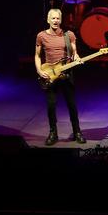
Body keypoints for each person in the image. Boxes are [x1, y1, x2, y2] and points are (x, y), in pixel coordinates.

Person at [35, 8, 85, 145]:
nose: (55, 21)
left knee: (72, 105)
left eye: (58, 18)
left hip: (66, 74)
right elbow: (37, 56)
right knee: (51, 105)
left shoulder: (69, 35)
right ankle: (53, 133)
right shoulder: (41, 36)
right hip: (50, 75)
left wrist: (77, 57)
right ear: (48, 20)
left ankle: (77, 132)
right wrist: (39, 71)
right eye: (53, 18)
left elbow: (75, 53)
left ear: (61, 20)